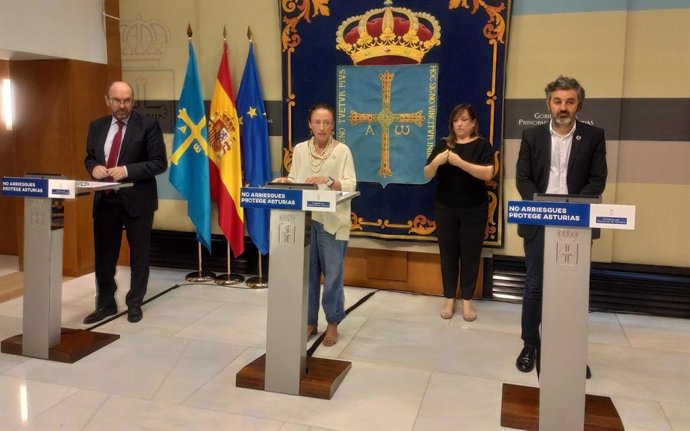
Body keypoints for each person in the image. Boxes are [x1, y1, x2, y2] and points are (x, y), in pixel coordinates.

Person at [515, 76, 607, 374]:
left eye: (569, 101)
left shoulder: (594, 136)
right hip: (538, 222)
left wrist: (571, 210)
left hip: (576, 222)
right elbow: (523, 179)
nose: (563, 107)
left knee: (573, 290)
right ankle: (530, 344)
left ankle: (572, 351)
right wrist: (544, 207)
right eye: (557, 101)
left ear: (578, 104)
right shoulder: (531, 136)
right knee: (535, 285)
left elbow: (597, 180)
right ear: (548, 104)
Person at [83, 81, 167, 324]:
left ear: (133, 101)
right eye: (117, 100)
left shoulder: (148, 125)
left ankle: (135, 304)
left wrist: (127, 170)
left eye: (127, 100)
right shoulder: (97, 126)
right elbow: (89, 156)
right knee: (104, 256)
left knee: (139, 256)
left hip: (138, 201)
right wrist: (94, 168)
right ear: (107, 100)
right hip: (106, 200)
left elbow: (159, 163)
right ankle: (105, 304)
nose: (122, 106)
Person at [274, 103, 356, 346]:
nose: (322, 127)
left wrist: (329, 181)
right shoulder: (300, 149)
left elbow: (351, 184)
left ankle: (332, 322)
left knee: (332, 275)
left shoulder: (342, 151)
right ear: (310, 124)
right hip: (306, 221)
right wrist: (283, 181)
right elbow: (295, 178)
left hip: (332, 222)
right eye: (317, 122)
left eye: (327, 123)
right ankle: (310, 321)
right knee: (308, 276)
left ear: (333, 126)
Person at [423, 104, 495, 322]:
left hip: (474, 209)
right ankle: (449, 297)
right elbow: (426, 174)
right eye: (456, 120)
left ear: (473, 123)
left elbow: (488, 173)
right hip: (446, 207)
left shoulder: (482, 145)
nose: (460, 124)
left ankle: (467, 300)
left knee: (471, 253)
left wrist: (460, 163)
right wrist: (437, 161)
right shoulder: (443, 145)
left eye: (464, 120)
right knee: (448, 253)